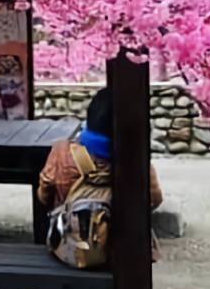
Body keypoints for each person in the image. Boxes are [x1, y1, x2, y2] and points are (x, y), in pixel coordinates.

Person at [38, 88, 163, 260]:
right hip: (124, 258)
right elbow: (154, 201)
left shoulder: (61, 153)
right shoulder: (137, 163)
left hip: (70, 251)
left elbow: (44, 196)